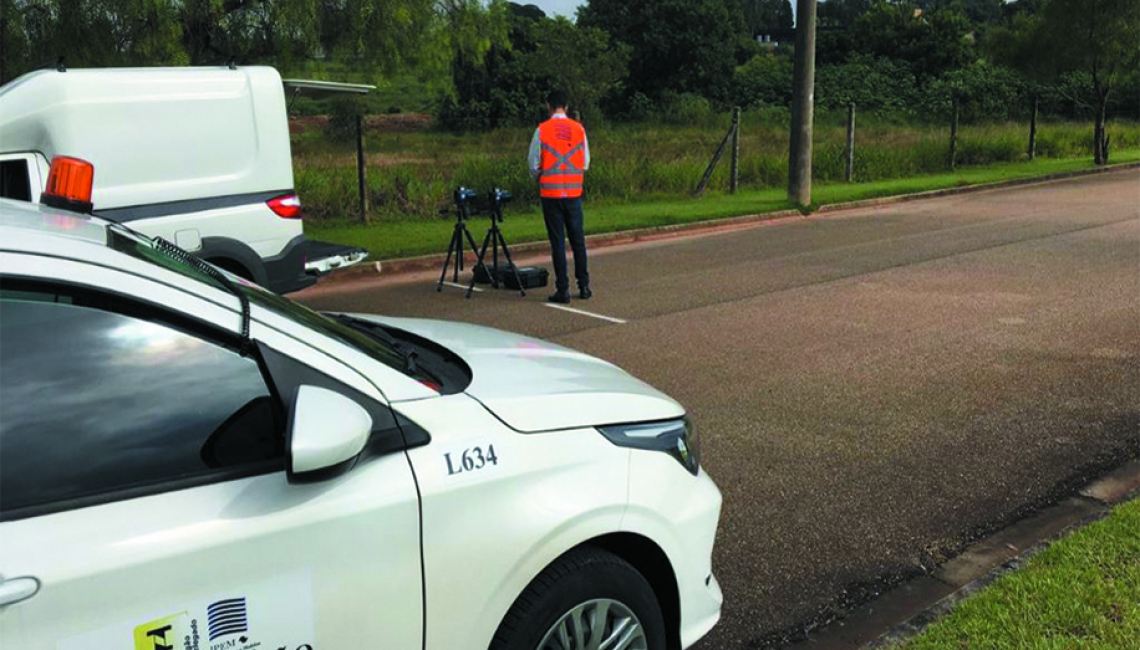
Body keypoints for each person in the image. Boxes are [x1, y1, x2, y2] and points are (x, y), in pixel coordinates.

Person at [529, 90, 591, 304]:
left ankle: (562, 290)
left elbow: (533, 164)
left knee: (558, 243)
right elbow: (585, 163)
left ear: (549, 106)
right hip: (573, 194)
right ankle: (584, 286)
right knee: (578, 242)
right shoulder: (579, 129)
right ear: (566, 106)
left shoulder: (542, 130)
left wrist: (541, 176)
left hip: (551, 194)